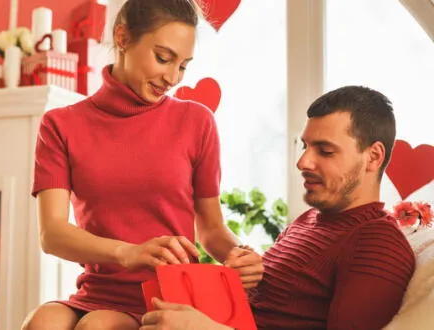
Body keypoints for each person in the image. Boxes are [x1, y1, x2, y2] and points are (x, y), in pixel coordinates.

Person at [21, 1, 264, 329]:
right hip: (98, 289)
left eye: (183, 66)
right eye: (163, 58)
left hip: (168, 292)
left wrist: (241, 257)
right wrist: (126, 253)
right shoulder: (61, 125)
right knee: (43, 322)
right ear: (122, 38)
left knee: (97, 326)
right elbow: (52, 234)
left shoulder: (196, 122)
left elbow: (211, 230)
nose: (172, 77)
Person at [140, 86, 416, 330]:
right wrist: (243, 275)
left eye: (325, 150)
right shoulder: (308, 221)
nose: (303, 162)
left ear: (373, 156)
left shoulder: (377, 243)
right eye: (305, 146)